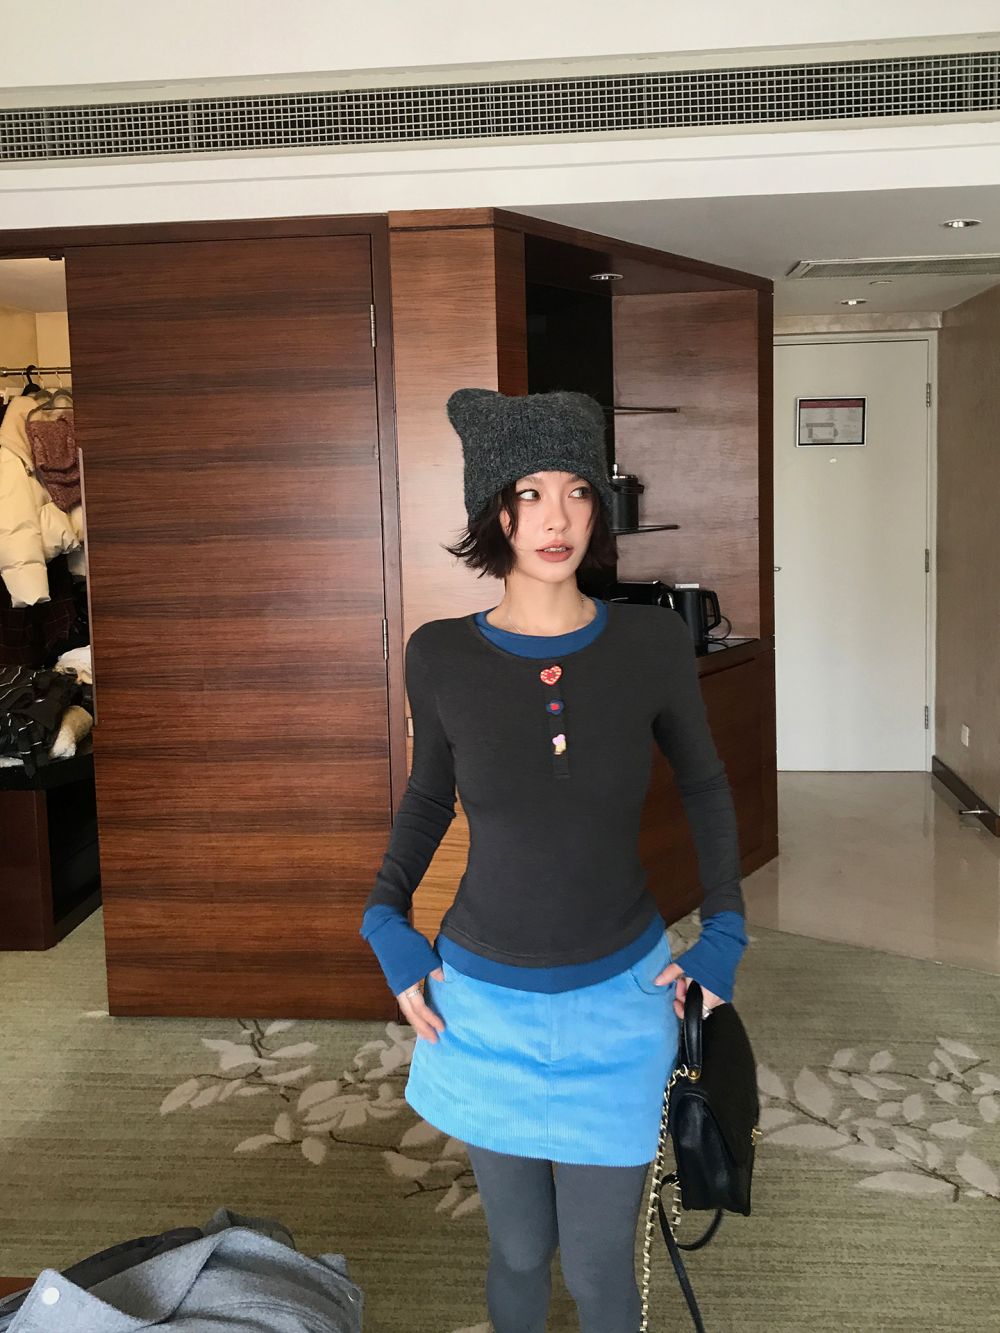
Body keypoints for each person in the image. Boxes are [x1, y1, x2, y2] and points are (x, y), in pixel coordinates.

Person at [359, 387, 748, 1333]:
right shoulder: (439, 655)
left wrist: (726, 931)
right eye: (529, 493)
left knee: (601, 1268)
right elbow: (429, 798)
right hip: (481, 1007)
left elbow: (705, 785)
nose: (557, 518)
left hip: (622, 1000)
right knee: (520, 1250)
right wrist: (384, 915)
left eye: (577, 491)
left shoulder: (652, 642)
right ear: (493, 509)